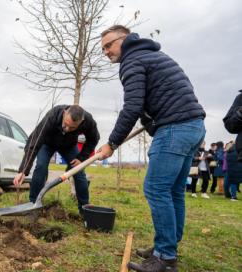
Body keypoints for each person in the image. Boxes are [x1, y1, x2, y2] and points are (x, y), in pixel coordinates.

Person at [98, 25, 205, 272]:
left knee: (156, 189)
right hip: (193, 126)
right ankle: (167, 247)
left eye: (109, 45)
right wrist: (153, 123)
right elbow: (159, 98)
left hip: (175, 129)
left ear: (124, 40)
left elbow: (133, 106)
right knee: (174, 191)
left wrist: (112, 143)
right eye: (102, 48)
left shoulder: (132, 61)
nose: (106, 52)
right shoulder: (155, 56)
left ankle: (165, 257)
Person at [13, 105, 100, 215]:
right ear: (64, 113)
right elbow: (34, 142)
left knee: (79, 171)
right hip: (47, 144)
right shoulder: (52, 116)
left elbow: (94, 139)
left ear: (81, 122)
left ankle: (84, 209)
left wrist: (81, 158)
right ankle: (33, 205)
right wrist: (23, 170)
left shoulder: (88, 121)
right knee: (41, 167)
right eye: (66, 124)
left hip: (69, 146)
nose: (67, 129)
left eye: (72, 128)